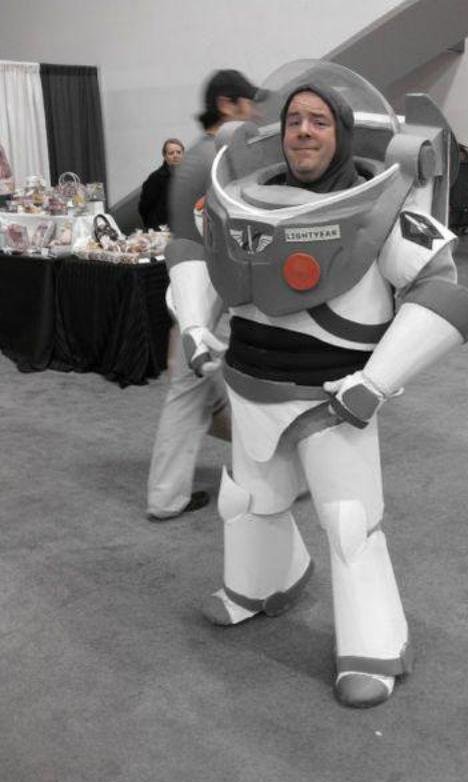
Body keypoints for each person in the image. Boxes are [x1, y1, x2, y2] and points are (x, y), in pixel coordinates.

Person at [169, 60, 468, 707]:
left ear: (340, 133)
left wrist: (378, 380)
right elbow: (196, 255)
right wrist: (196, 327)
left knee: (348, 524)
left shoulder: (382, 207)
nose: (303, 131)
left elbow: (441, 290)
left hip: (333, 401)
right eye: (294, 120)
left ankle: (374, 644)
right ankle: (262, 583)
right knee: (245, 502)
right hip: (251, 387)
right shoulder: (241, 199)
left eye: (318, 121)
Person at [146, 70, 260, 520]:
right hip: (206, 284)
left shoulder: (199, 154)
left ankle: (270, 464)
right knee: (191, 389)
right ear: (229, 104)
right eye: (249, 103)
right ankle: (166, 497)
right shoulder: (220, 158)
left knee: (201, 390)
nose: (254, 112)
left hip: (191, 283)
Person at [138, 138, 185, 230]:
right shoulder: (155, 178)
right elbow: (144, 207)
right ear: (165, 156)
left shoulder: (189, 176)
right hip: (161, 230)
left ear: (183, 154)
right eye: (171, 153)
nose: (175, 156)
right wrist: (154, 225)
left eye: (179, 152)